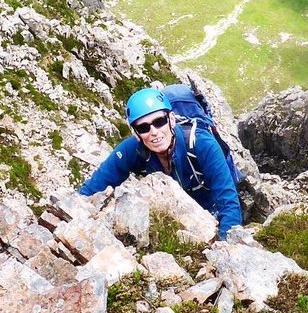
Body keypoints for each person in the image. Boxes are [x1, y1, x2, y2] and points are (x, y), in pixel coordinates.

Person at [78, 87, 243, 239]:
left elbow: (227, 200)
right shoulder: (132, 150)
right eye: (143, 128)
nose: (154, 132)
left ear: (171, 119)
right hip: (174, 221)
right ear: (136, 133)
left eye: (159, 122)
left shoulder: (202, 144)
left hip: (210, 210)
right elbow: (93, 187)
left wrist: (226, 245)